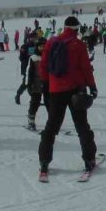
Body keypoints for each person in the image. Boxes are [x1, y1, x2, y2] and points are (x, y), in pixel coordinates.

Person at [37, 16, 98, 180]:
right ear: (77, 29)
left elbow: (43, 65)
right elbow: (85, 67)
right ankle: (89, 159)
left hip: (55, 89)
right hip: (75, 90)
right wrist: (92, 86)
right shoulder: (78, 45)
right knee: (82, 126)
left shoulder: (51, 42)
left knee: (51, 127)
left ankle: (44, 161)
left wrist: (45, 84)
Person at [25, 37, 49, 131]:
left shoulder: (50, 57)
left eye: (44, 46)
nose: (42, 48)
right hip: (36, 84)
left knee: (50, 103)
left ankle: (52, 122)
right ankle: (31, 121)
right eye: (40, 46)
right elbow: (29, 72)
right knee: (35, 102)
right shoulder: (33, 58)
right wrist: (28, 84)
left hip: (48, 84)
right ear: (37, 47)